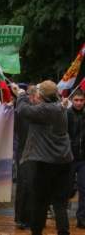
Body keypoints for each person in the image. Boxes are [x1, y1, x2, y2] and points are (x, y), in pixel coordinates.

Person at [13, 81, 73, 235]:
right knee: (60, 203)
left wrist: (20, 94)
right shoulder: (60, 106)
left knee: (40, 202)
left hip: (45, 163)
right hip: (64, 162)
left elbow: (22, 110)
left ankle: (36, 232)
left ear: (42, 96)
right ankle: (63, 232)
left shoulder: (45, 110)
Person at [14, 85, 37, 229]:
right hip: (24, 152)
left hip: (35, 153)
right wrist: (21, 96)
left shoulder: (35, 110)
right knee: (24, 185)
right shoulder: (24, 110)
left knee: (33, 186)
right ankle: (22, 218)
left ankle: (30, 216)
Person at [68, 89, 85, 228]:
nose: (79, 103)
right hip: (68, 158)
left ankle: (82, 219)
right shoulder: (66, 114)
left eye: (81, 100)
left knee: (84, 188)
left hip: (83, 158)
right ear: (72, 100)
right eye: (76, 100)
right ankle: (60, 213)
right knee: (65, 189)